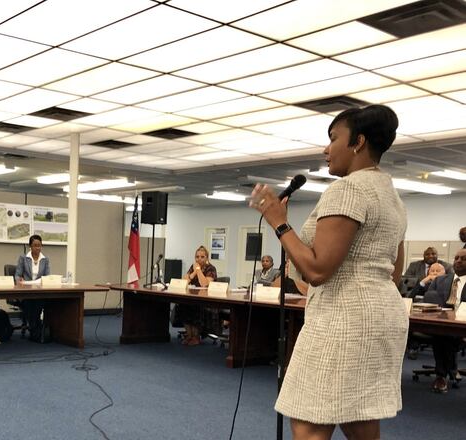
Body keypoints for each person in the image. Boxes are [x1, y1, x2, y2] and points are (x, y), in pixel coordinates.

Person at [250, 104, 407, 439]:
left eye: (333, 138)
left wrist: (278, 222)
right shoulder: (392, 196)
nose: (326, 148)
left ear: (358, 142)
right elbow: (394, 274)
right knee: (359, 416)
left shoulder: (347, 189)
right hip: (383, 317)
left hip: (342, 319)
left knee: (308, 423)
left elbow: (318, 270)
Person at [419, 249, 466, 393]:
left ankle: (443, 374)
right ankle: (445, 373)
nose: (458, 261)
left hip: (463, 324)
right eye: (456, 257)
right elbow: (428, 300)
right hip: (443, 324)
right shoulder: (440, 280)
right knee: (443, 333)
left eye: (463, 259)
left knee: (445, 335)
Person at [176, 245, 217, 346]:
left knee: (195, 307)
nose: (199, 259)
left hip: (206, 300)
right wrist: (194, 271)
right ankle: (189, 335)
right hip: (192, 296)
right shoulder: (193, 267)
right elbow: (184, 281)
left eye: (202, 257)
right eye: (197, 257)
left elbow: (204, 283)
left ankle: (196, 336)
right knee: (182, 305)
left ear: (207, 257)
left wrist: (198, 271)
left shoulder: (211, 268)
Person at [14, 234, 50, 342]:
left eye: (39, 245)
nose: (37, 248)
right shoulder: (23, 258)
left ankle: (35, 329)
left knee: (40, 302)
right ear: (30, 246)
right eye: (35, 245)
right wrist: (19, 281)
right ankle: (35, 329)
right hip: (26, 290)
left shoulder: (45, 259)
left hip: (39, 290)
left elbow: (47, 276)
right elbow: (17, 274)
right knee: (30, 302)